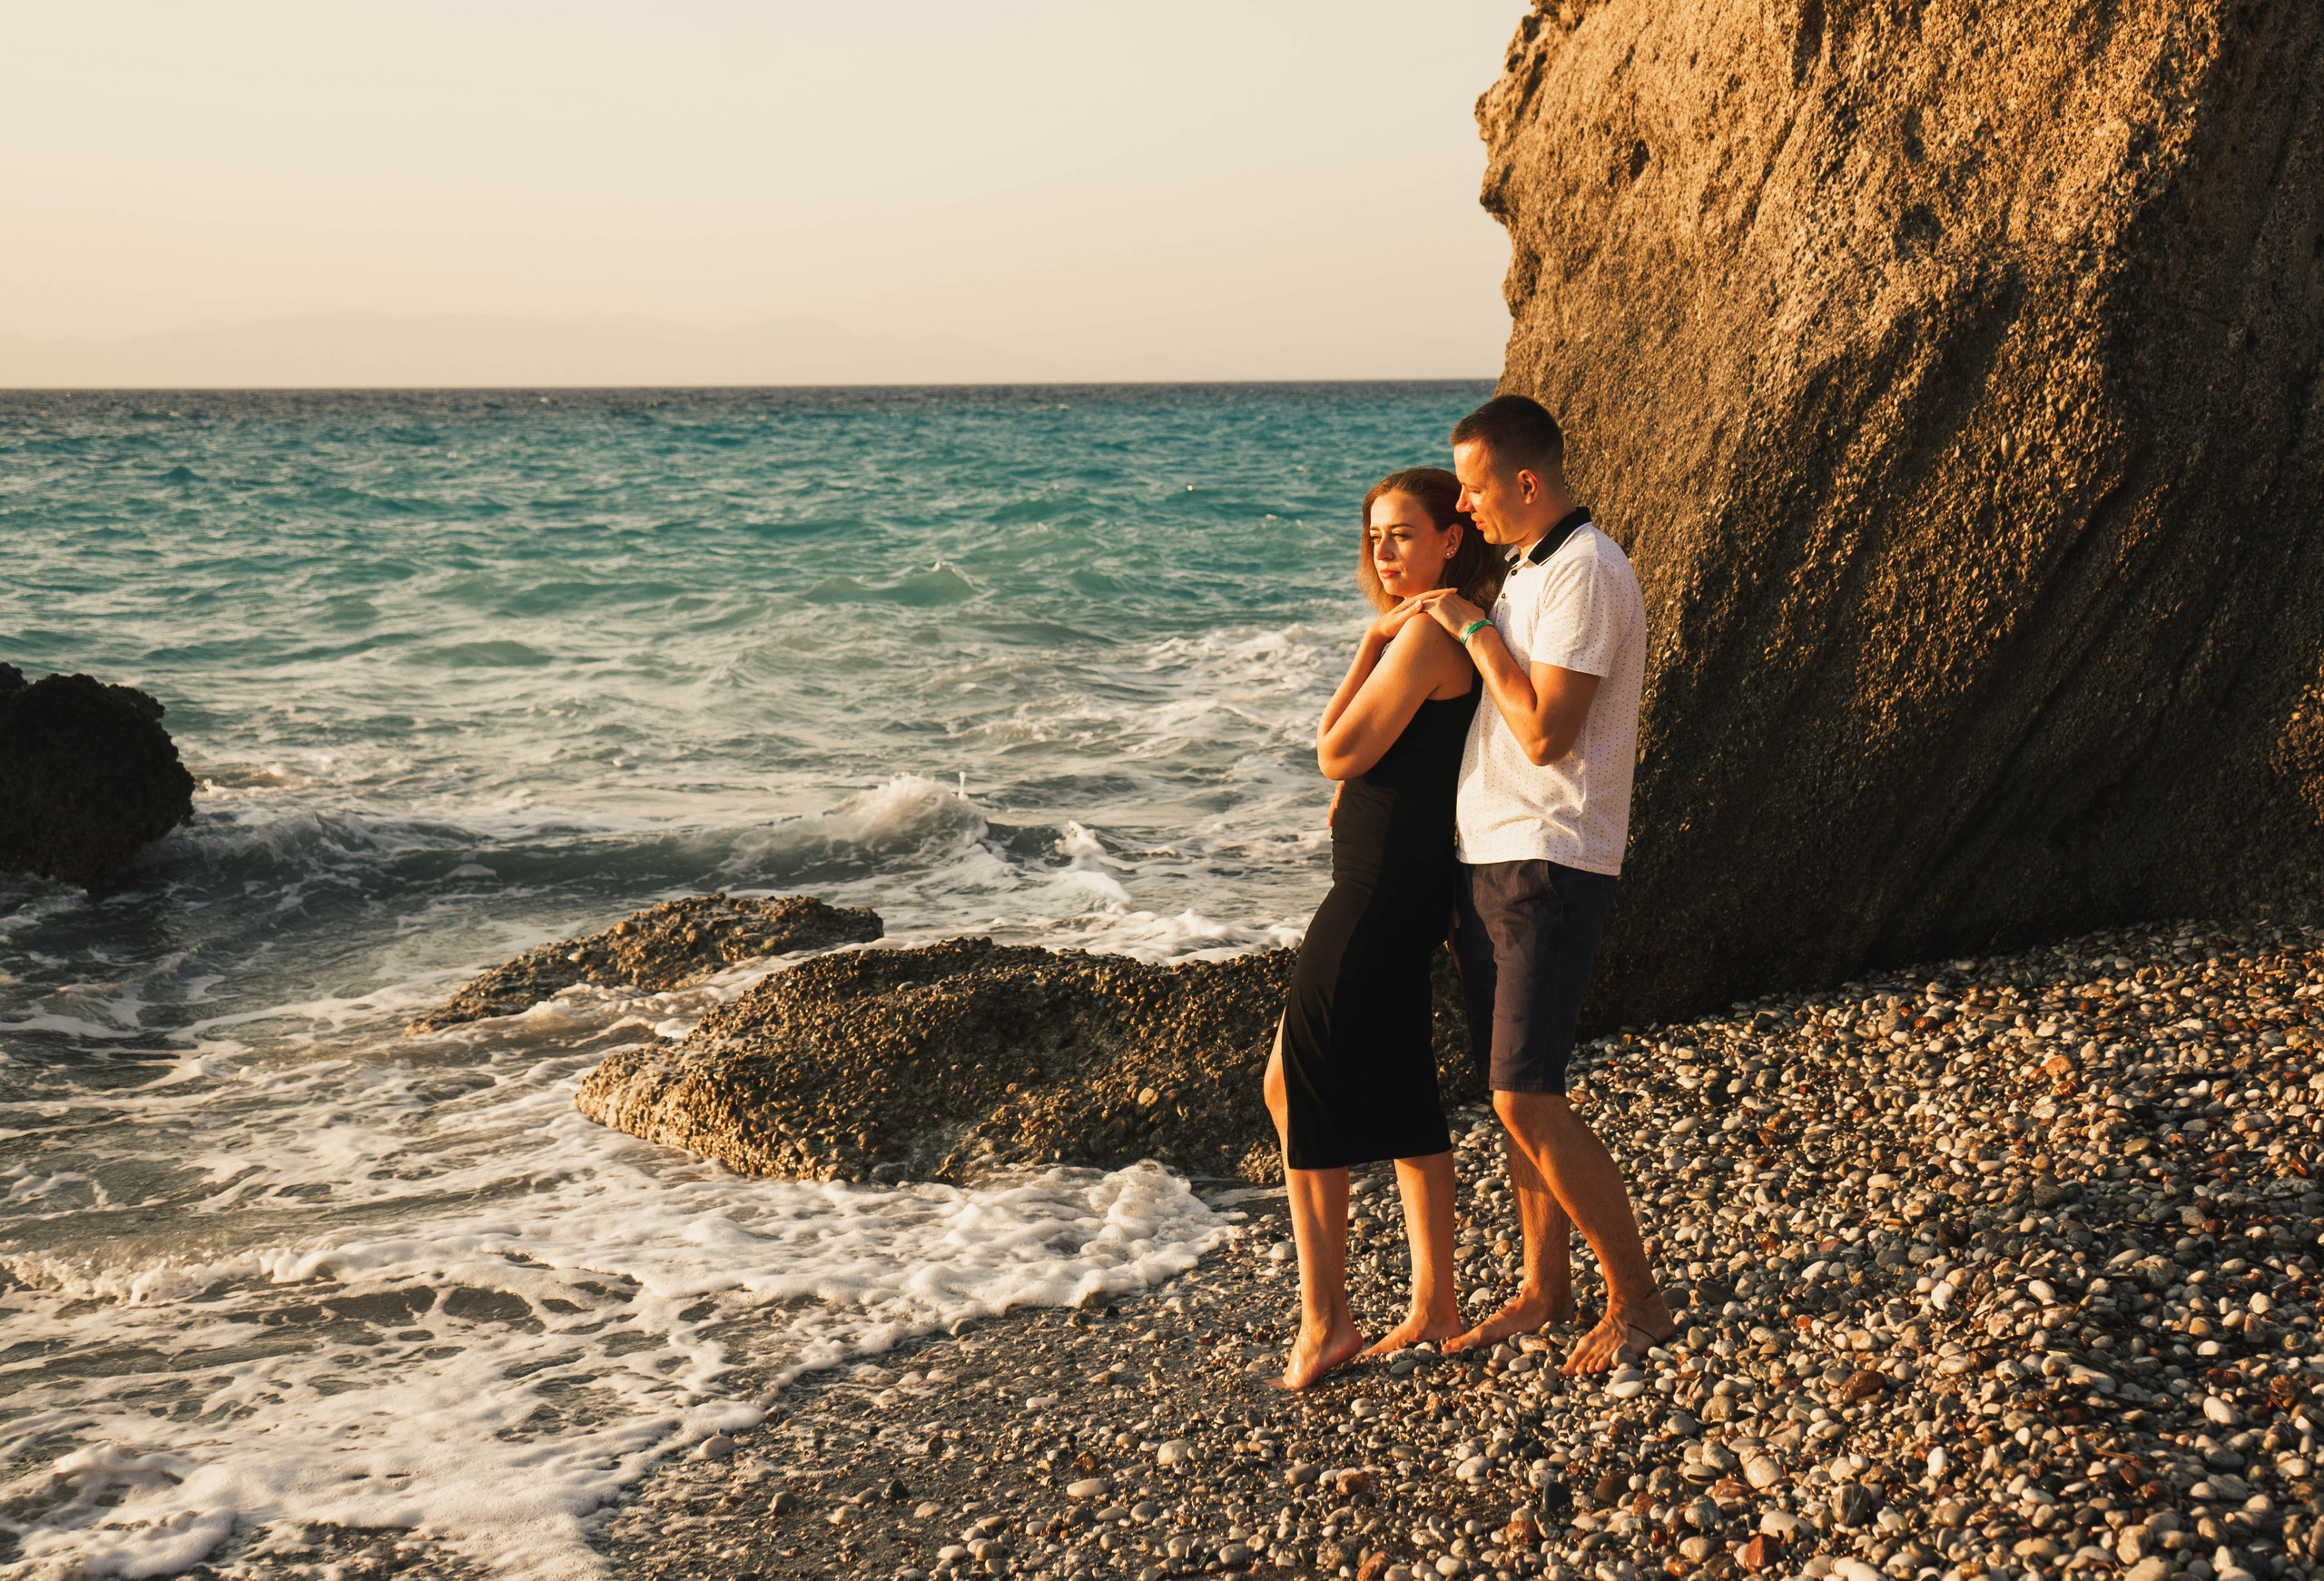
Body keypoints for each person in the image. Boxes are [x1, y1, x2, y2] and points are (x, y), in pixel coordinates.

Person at [1407, 394, 1673, 1375]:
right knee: (1514, 1091)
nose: (1463, 506)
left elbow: (1547, 732)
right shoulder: (1528, 567)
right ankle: (1543, 1288)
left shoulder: (1586, 571)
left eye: (1473, 488)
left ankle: (1638, 1298)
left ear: (1525, 481)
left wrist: (1474, 629)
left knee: (1524, 1095)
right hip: (1494, 856)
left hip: (1551, 858)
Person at [1261, 467, 1505, 1390]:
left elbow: (1334, 749)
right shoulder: (1437, 628)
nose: (1385, 551)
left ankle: (1326, 1320)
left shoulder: (1429, 635)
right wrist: (1375, 636)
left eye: (1403, 533)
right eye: (1375, 536)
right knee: (1403, 1088)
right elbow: (1348, 748)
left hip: (1373, 893)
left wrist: (1375, 644)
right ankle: (1435, 1302)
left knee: (1294, 1084)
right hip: (1406, 885)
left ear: (1451, 538)